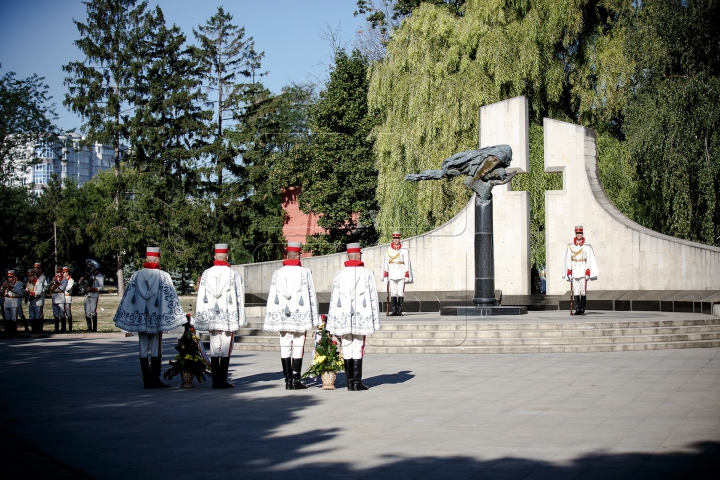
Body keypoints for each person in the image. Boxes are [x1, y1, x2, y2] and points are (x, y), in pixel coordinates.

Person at [114, 247, 186, 388]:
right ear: (158, 259)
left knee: (142, 347)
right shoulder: (163, 276)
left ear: (146, 259)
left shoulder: (136, 276)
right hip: (157, 318)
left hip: (142, 317)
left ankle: (146, 380)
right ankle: (155, 379)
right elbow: (170, 297)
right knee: (156, 348)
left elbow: (128, 297)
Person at [264, 242, 320, 390]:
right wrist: (313, 317)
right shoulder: (305, 273)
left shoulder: (277, 273)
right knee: (298, 346)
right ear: (299, 255)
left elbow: (272, 296)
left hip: (283, 316)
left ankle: (288, 380)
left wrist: (272, 317)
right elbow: (311, 296)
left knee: (285, 346)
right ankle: (296, 380)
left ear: (286, 255)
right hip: (300, 316)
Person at [327, 243, 380, 391]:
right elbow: (373, 298)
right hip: (361, 314)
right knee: (358, 346)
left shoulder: (339, 274)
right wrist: (374, 319)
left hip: (343, 314)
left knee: (347, 347)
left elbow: (334, 299)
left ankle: (350, 381)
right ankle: (356, 381)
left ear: (348, 256)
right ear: (359, 255)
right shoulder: (367, 273)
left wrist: (333, 322)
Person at [195, 243, 245, 389]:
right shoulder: (234, 274)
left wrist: (202, 317)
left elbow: (201, 296)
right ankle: (222, 379)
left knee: (214, 346)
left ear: (214, 257)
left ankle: (215, 380)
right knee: (226, 347)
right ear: (227, 256)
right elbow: (239, 298)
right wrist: (239, 318)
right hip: (227, 317)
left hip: (212, 317)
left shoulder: (206, 273)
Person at [562, 225, 599, 315]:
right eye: (577, 233)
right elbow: (569, 259)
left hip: (582, 271)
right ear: (575, 234)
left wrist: (588, 271)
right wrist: (569, 271)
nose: (579, 235)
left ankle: (582, 309)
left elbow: (589, 259)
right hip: (575, 271)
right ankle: (577, 309)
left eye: (580, 233)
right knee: (576, 291)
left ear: (582, 234)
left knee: (583, 291)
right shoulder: (571, 246)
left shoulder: (587, 246)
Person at [382, 231, 413, 316]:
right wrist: (385, 275)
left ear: (400, 239)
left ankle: (399, 310)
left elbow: (407, 262)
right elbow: (386, 263)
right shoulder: (388, 250)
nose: (396, 240)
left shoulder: (404, 250)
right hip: (392, 273)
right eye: (395, 238)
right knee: (393, 292)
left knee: (400, 292)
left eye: (397, 238)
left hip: (401, 273)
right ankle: (394, 310)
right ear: (393, 239)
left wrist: (407, 274)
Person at [80, 260, 102, 332]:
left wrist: (93, 288)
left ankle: (94, 328)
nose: (90, 268)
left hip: (94, 294)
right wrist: (81, 281)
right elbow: (84, 283)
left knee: (93, 311)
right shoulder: (88, 274)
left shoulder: (99, 276)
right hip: (87, 294)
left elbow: (101, 287)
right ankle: (89, 327)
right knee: (87, 311)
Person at [3, 270, 25, 334]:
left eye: (11, 277)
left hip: (14, 301)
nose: (9, 278)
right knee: (7, 317)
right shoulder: (6, 282)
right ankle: (8, 330)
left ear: (14, 277)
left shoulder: (18, 283)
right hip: (7, 300)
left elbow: (16, 290)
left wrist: (8, 287)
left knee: (13, 317)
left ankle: (13, 331)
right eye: (8, 277)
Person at [25, 268, 46, 332]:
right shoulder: (28, 283)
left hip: (37, 300)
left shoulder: (38, 282)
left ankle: (39, 329)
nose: (29, 278)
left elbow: (38, 292)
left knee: (37, 316)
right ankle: (33, 329)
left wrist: (30, 294)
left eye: (31, 276)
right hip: (31, 301)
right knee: (31, 316)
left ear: (34, 276)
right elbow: (27, 290)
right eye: (28, 276)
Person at [49, 267, 68, 333]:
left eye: (59, 272)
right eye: (57, 272)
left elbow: (62, 288)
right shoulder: (54, 279)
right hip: (54, 297)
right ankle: (56, 329)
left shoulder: (64, 280)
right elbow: (50, 288)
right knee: (55, 314)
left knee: (62, 314)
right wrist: (52, 283)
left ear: (62, 273)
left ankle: (63, 328)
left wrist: (57, 283)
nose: (58, 274)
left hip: (60, 297)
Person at [62, 267, 75, 332]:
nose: (63, 274)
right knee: (62, 313)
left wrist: (62, 285)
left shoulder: (71, 280)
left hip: (67, 297)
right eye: (62, 272)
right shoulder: (61, 279)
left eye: (64, 272)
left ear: (67, 273)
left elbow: (68, 288)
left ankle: (70, 328)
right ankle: (63, 328)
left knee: (68, 312)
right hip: (61, 297)